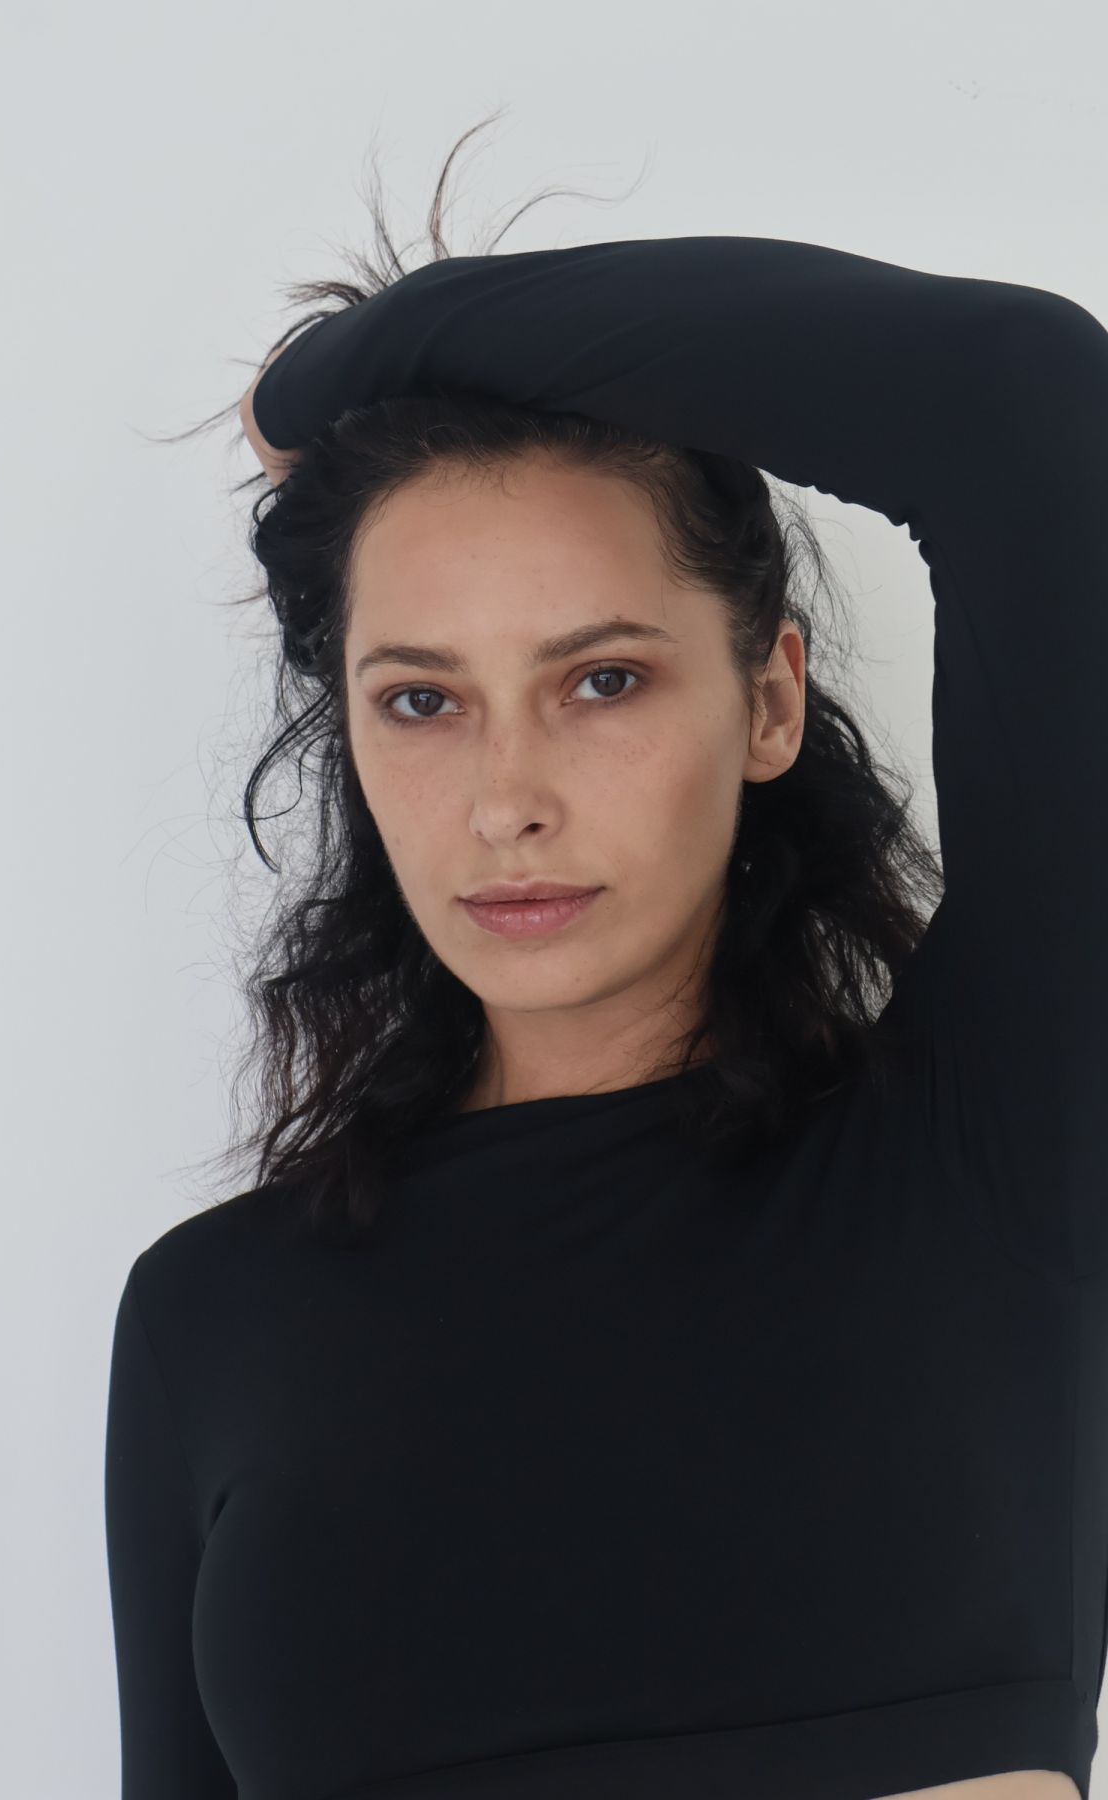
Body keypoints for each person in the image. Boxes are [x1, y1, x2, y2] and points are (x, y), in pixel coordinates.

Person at [104, 133, 1108, 1800]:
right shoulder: (217, 1314)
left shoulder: (994, 1148)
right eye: (423, 700)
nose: (507, 799)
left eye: (602, 681)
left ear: (769, 701)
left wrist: (350, 365)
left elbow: (1024, 395)